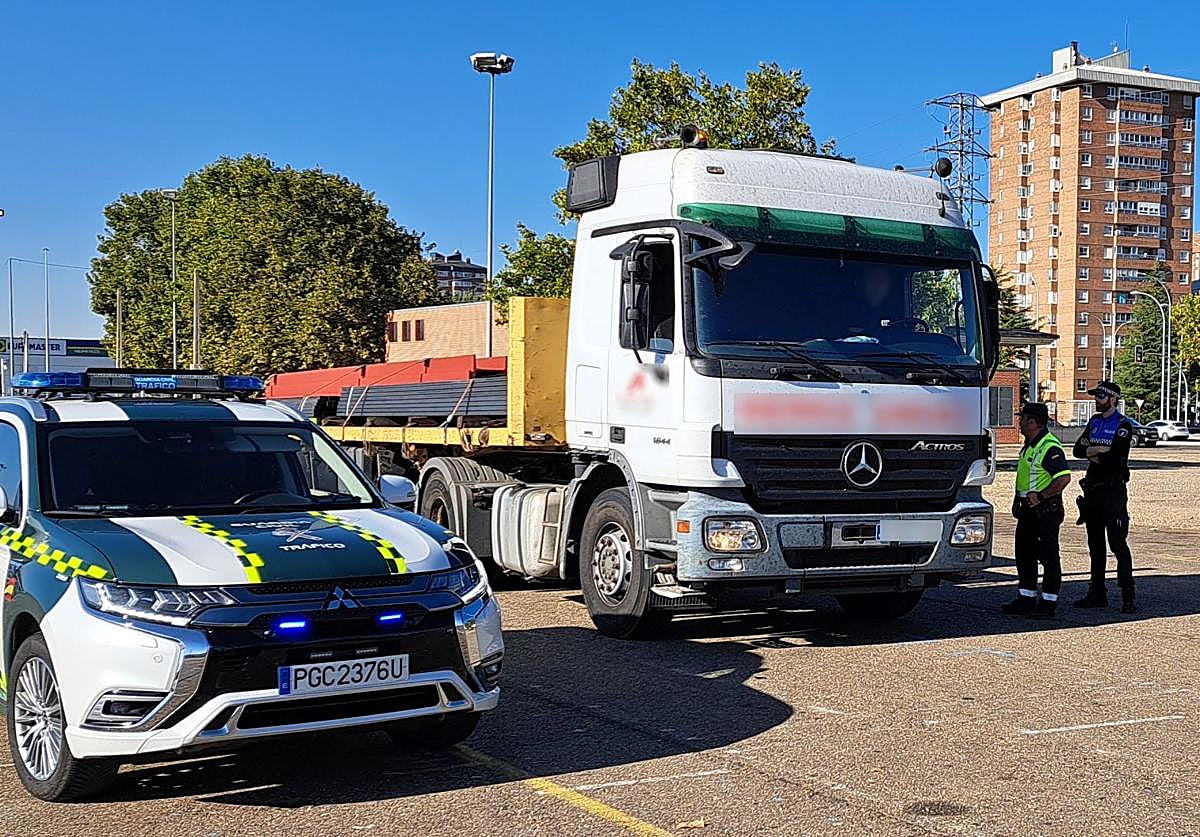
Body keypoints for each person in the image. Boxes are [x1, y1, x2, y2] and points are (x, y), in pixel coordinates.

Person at [1001, 402, 1072, 619]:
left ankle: (1048, 603)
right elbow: (1025, 477)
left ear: (1033, 422)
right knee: (1024, 554)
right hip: (1028, 510)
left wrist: (1041, 496)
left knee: (1048, 557)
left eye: (1022, 418)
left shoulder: (1049, 446)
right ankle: (1026, 598)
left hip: (1044, 511)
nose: (1020, 422)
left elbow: (1063, 478)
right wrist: (1018, 500)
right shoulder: (1030, 445)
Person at [1072, 380, 1137, 613]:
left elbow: (1116, 458)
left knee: (1118, 544)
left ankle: (1128, 595)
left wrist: (1093, 452)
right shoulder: (1094, 421)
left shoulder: (1123, 424)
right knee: (1095, 545)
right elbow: (1077, 450)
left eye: (1101, 396)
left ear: (1113, 399)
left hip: (1113, 491)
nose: (1096, 400)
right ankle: (1097, 593)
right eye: (1095, 396)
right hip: (1093, 490)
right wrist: (1098, 450)